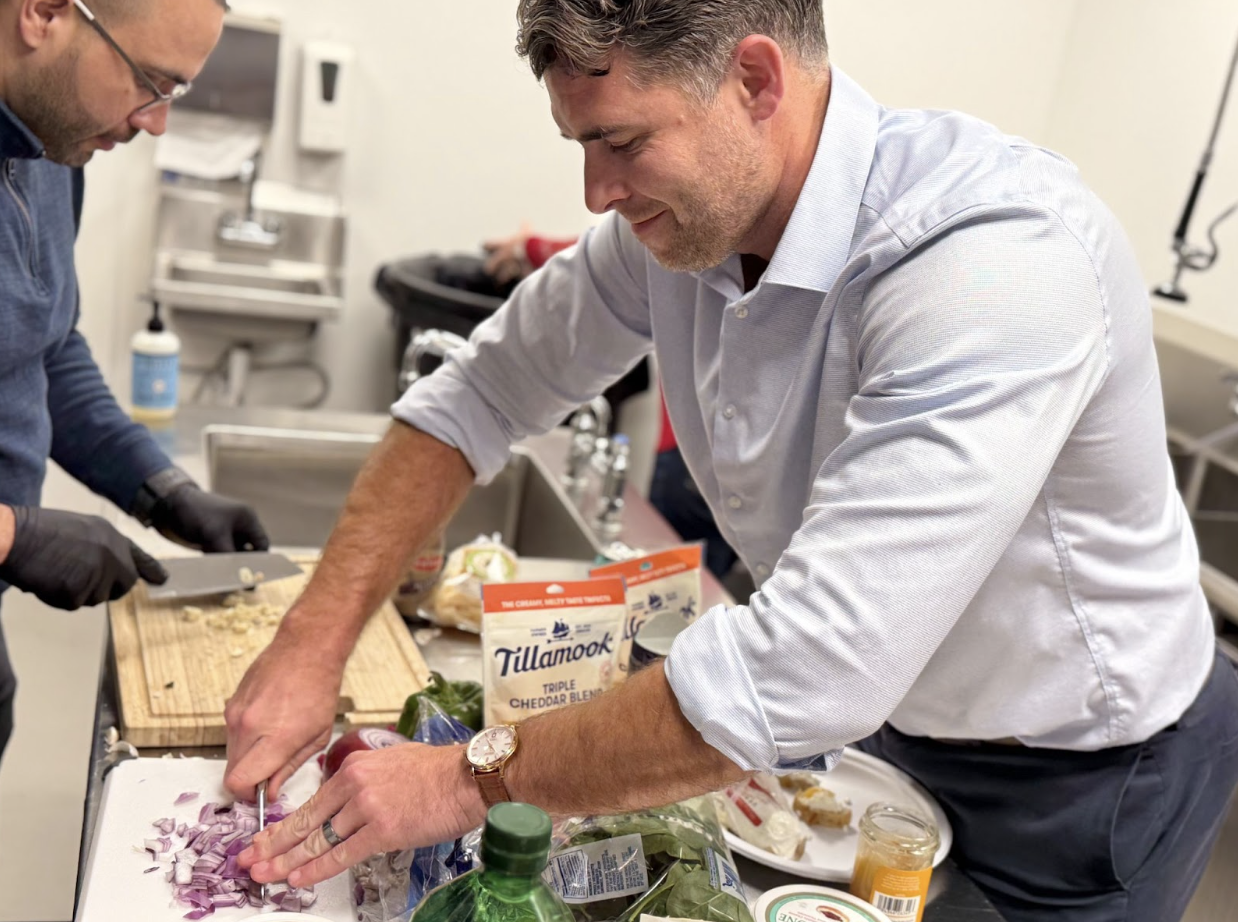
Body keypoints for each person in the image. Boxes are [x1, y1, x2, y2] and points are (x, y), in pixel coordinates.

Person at [230, 3, 1238, 920]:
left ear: (755, 81)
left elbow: (805, 665)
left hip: (1087, 770)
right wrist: (309, 647)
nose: (595, 191)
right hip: (887, 723)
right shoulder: (679, 230)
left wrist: (463, 780)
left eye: (620, 141)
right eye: (581, 144)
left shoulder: (988, 258)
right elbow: (479, 392)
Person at [0, 0, 268, 763]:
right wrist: (13, 535)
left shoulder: (52, 149)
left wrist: (159, 488)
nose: (155, 124)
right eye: (149, 81)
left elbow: (43, 348)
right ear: (44, 13)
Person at [485, 226, 739, 579]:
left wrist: (528, 246)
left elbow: (620, 253)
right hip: (721, 460)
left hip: (685, 459)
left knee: (680, 592)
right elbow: (614, 256)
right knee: (704, 591)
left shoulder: (685, 236)